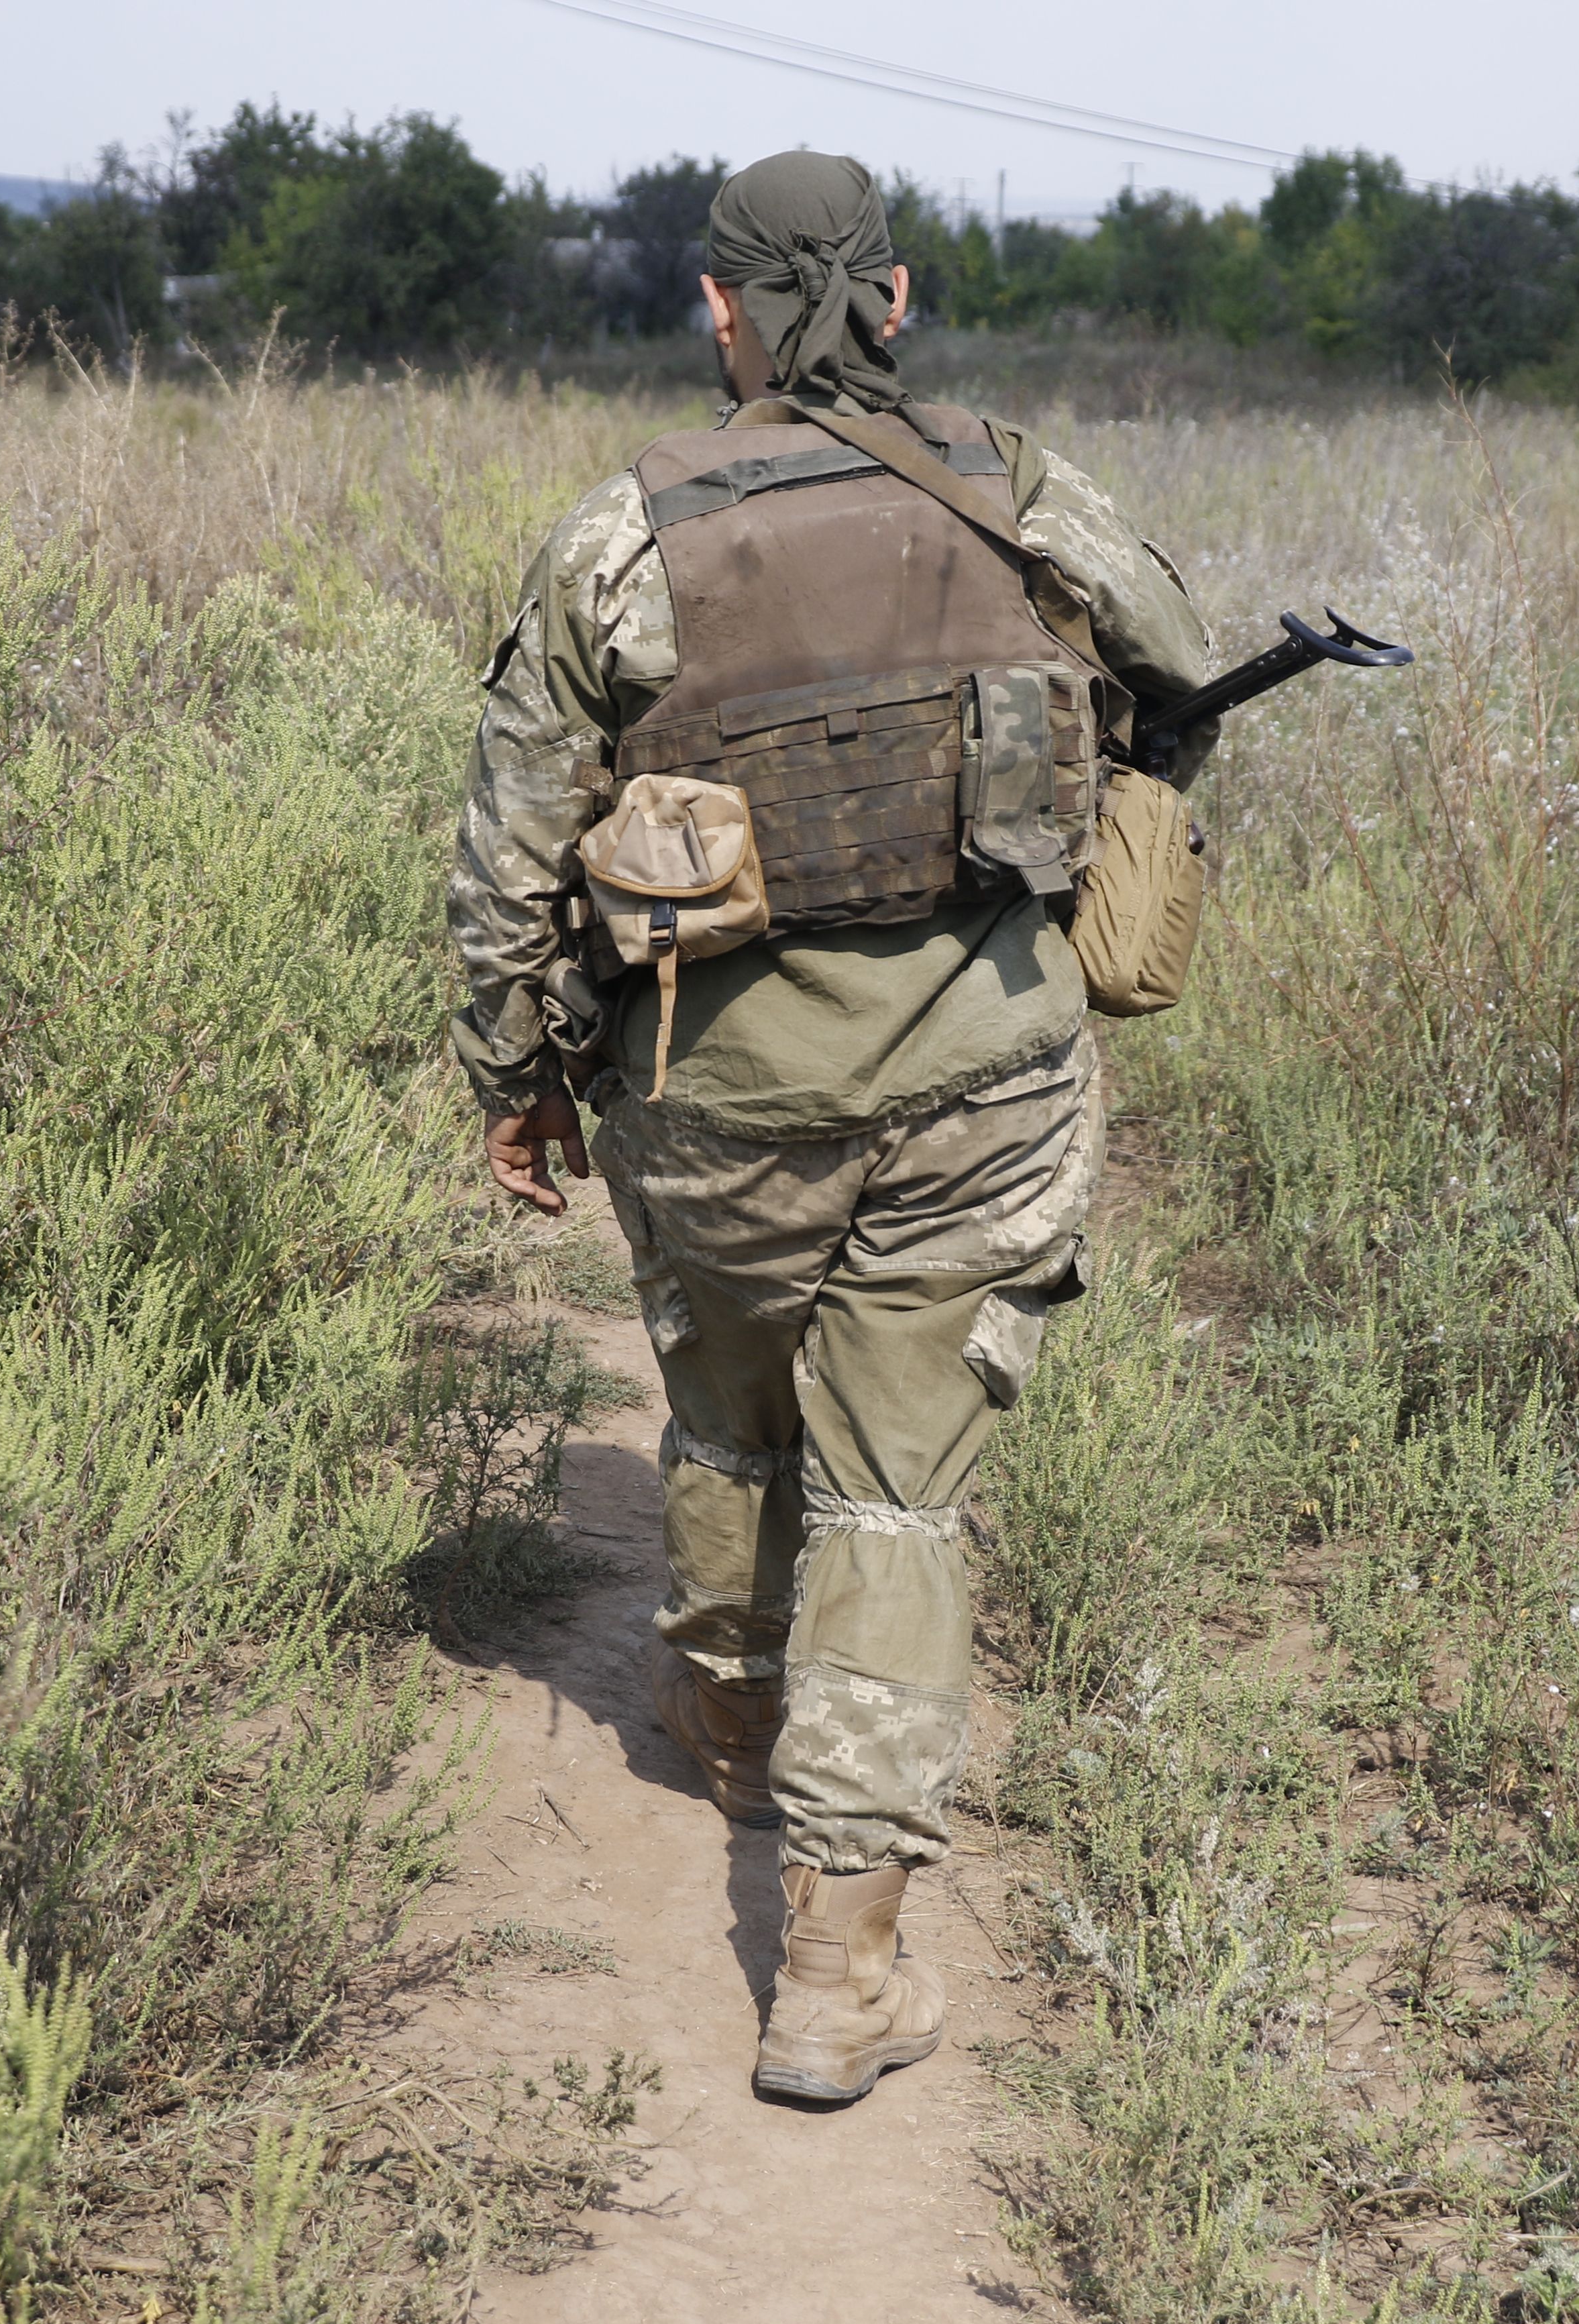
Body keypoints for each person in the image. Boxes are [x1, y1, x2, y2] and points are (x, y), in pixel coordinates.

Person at [448, 150, 1219, 2107]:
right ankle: (843, 1971)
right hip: (986, 1087)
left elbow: (514, 851)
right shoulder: (1019, 489)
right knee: (894, 1494)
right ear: (900, 295)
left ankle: (727, 1720)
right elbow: (1180, 666)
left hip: (716, 1096)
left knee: (725, 1403)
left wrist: (518, 1077)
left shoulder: (624, 535)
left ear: (718, 309)